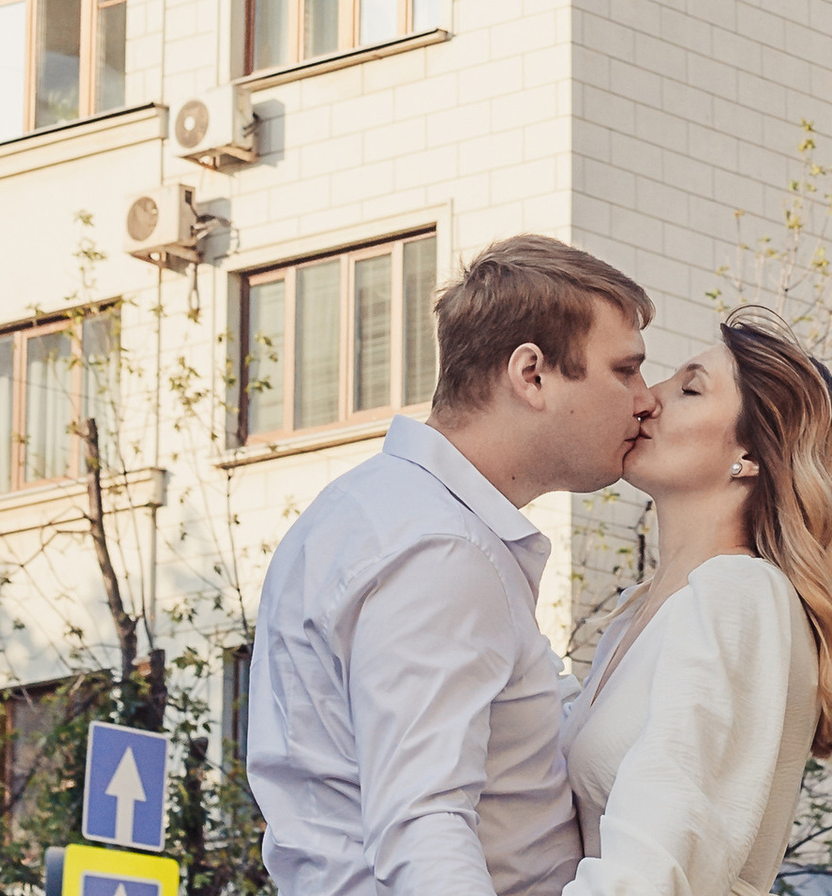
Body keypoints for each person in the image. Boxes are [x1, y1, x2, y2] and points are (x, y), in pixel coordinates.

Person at [248, 234, 658, 896]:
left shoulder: (386, 511)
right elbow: (424, 826)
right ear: (532, 375)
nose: (645, 400)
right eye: (625, 370)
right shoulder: (440, 548)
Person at [558, 305, 832, 896]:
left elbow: (653, 861)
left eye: (689, 389)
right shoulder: (642, 612)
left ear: (752, 457)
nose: (647, 399)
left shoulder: (740, 595)